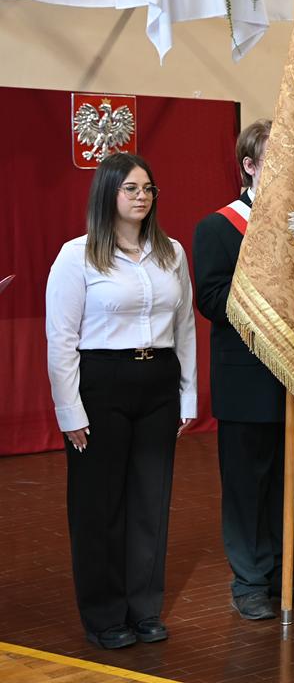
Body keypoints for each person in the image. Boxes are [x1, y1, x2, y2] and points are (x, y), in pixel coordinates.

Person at [45, 153, 197, 649]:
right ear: (108, 193)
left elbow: (185, 327)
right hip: (101, 384)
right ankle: (105, 615)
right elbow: (61, 341)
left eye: (148, 189)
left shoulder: (171, 252)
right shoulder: (77, 256)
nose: (141, 197)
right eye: (131, 188)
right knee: (99, 506)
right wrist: (69, 411)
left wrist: (188, 396)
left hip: (158, 381)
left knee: (150, 502)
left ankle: (143, 608)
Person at [193, 120, 294, 622]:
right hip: (247, 381)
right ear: (249, 166)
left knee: (292, 482)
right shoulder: (217, 227)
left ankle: (284, 572)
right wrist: (274, 281)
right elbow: (212, 300)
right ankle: (249, 579)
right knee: (248, 486)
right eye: (276, 157)